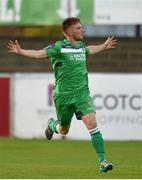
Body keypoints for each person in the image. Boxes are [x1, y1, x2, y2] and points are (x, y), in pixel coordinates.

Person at [7, 17, 117, 173]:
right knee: (64, 129)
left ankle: (103, 161)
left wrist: (104, 46)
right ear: (70, 31)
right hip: (63, 97)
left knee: (92, 124)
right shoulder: (59, 47)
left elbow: (90, 49)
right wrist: (21, 51)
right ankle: (52, 124)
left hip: (82, 94)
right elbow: (39, 53)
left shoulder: (80, 46)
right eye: (79, 28)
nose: (83, 30)